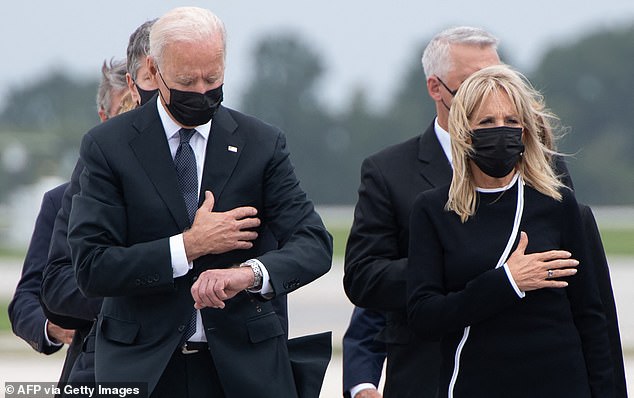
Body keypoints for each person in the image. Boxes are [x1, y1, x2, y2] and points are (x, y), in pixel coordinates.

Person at [66, 7, 332, 398]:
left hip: (243, 373)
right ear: (154, 72)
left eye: (213, 78)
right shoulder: (109, 147)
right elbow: (91, 267)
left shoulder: (262, 144)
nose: (202, 93)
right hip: (144, 369)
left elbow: (313, 244)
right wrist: (187, 247)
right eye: (187, 81)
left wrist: (249, 274)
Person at [407, 64, 614, 397]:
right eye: (487, 122)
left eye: (511, 122)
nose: (500, 130)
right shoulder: (434, 210)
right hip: (476, 384)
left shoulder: (559, 206)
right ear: (464, 130)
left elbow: (594, 319)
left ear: (525, 131)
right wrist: (507, 283)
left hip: (562, 385)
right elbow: (424, 317)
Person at [342, 26, 504, 398]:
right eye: (470, 84)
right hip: (428, 377)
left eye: (495, 80)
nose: (486, 95)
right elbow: (367, 279)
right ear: (436, 88)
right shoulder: (388, 172)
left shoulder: (542, 168)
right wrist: (457, 266)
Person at [8, 58, 129, 386]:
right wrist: (51, 328)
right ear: (104, 118)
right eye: (125, 113)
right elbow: (26, 299)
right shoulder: (61, 200)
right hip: (92, 370)